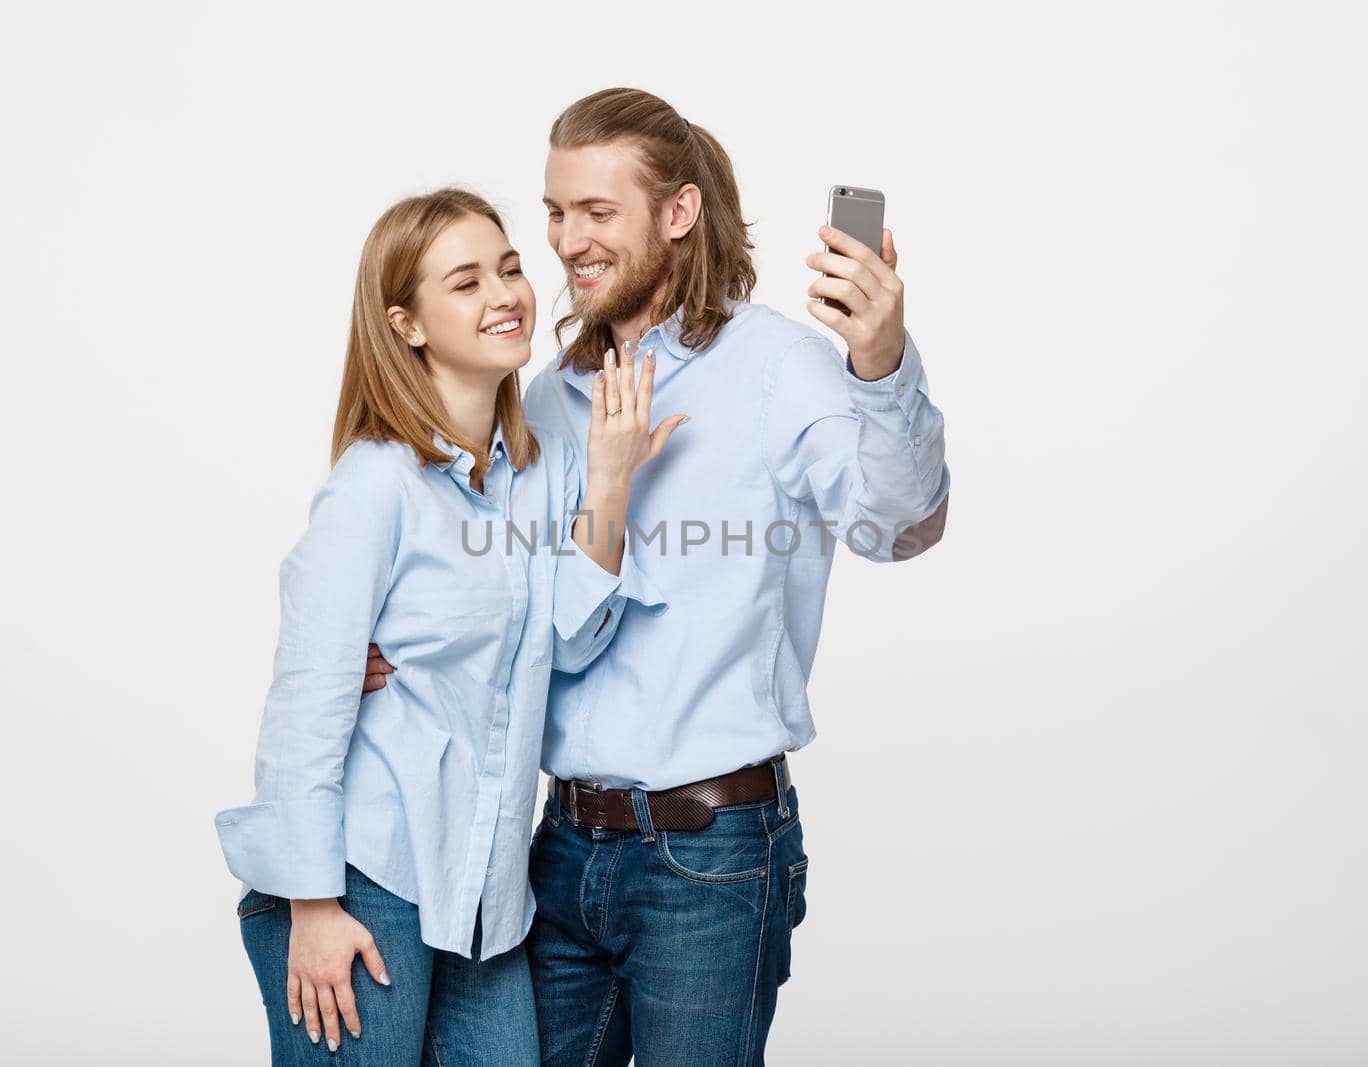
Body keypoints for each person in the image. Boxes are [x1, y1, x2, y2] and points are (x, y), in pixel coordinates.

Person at [365, 89, 951, 1065]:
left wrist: (880, 362)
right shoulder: (547, 394)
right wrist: (397, 647)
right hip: (555, 848)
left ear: (676, 214)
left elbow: (897, 526)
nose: (566, 240)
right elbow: (529, 615)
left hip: (709, 853)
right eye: (555, 212)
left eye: (597, 213)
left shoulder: (780, 368)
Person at [215, 187, 684, 1064]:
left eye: (509, 268)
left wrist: (611, 485)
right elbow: (307, 704)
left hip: (485, 897)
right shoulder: (374, 487)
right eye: (465, 282)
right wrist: (313, 906)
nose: (504, 294)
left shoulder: (535, 476)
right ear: (408, 324)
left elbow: (573, 641)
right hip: (365, 877)